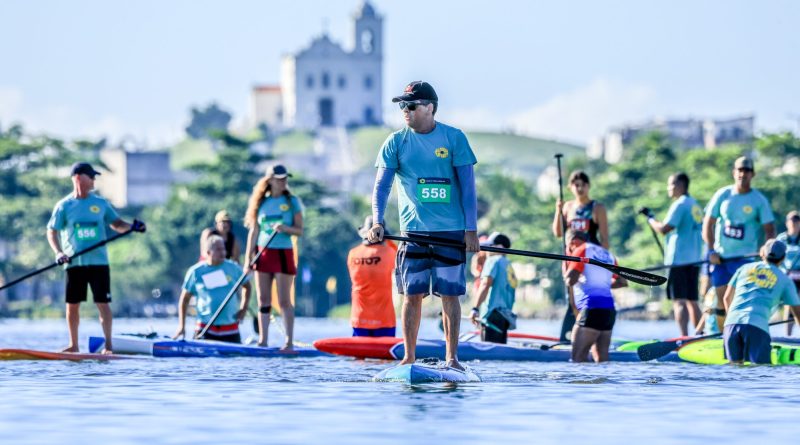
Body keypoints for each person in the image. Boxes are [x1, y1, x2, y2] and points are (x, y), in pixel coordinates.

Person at [367, 80, 479, 371]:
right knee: (411, 295)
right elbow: (381, 187)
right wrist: (378, 221)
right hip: (413, 232)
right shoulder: (396, 141)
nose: (405, 110)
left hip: (451, 232)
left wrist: (471, 230)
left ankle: (452, 359)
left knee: (450, 295)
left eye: (411, 105)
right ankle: (409, 358)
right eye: (402, 105)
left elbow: (468, 188)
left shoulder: (454, 138)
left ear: (429, 108)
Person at [47, 162, 146, 353]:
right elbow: (52, 231)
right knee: (72, 305)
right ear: (78, 178)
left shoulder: (100, 204)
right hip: (74, 262)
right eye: (90, 176)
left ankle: (108, 346)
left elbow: (116, 224)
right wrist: (59, 252)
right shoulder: (64, 206)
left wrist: (133, 227)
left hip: (98, 263)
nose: (94, 179)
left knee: (103, 304)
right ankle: (73, 345)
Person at [703, 156, 775, 330]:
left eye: (747, 171)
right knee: (721, 301)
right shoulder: (722, 195)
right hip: (720, 259)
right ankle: (722, 338)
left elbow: (770, 230)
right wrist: (711, 250)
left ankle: (738, 335)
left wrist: (767, 252)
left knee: (737, 301)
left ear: (753, 174)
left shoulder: (759, 200)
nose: (743, 174)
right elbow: (708, 223)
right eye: (740, 170)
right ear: (734, 173)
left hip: (745, 261)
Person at [244, 164, 304, 350]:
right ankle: (263, 341)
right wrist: (248, 260)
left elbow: (299, 230)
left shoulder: (292, 201)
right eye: (279, 179)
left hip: (283, 252)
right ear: (270, 180)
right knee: (263, 300)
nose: (284, 181)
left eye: (285, 178)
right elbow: (254, 232)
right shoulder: (261, 202)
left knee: (284, 300)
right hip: (263, 252)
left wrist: (286, 229)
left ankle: (289, 342)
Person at [640, 172, 703, 336]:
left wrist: (650, 218)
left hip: (679, 260)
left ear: (680, 185)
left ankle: (683, 337)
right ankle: (700, 335)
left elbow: (663, 229)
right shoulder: (695, 204)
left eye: (671, 184)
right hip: (695, 260)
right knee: (693, 301)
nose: (668, 188)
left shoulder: (680, 204)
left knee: (679, 301)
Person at [722, 239, 800, 364]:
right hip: (757, 327)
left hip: (731, 324)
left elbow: (726, 298)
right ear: (783, 258)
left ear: (762, 253)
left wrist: (731, 322)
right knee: (762, 372)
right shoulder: (785, 281)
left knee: (735, 370)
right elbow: (798, 314)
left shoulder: (744, 268)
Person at [562, 230, 627, 363]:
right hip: (609, 311)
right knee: (602, 360)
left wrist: (570, 275)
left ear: (573, 242)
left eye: (568, 247)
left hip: (591, 308)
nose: (568, 251)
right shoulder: (608, 254)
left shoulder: (580, 250)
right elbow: (622, 282)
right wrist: (600, 282)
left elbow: (570, 280)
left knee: (577, 358)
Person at [174, 235, 252, 343]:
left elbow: (247, 286)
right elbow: (184, 300)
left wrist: (244, 308)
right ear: (208, 252)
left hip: (230, 329)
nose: (223, 252)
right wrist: (181, 326)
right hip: (204, 328)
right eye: (218, 249)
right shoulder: (196, 272)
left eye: (223, 249)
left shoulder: (233, 268)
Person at [348, 216, 398, 337]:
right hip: (384, 319)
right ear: (383, 235)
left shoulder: (353, 253)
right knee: (385, 357)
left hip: (359, 319)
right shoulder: (390, 253)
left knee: (358, 356)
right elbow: (399, 254)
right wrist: (387, 237)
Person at [470, 232, 517, 344]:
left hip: (491, 315)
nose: (486, 249)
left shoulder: (492, 261)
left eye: (490, 246)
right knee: (499, 353)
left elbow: (485, 285)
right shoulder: (508, 264)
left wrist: (475, 309)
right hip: (505, 316)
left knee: (488, 353)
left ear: (499, 247)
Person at [552, 170, 609, 248]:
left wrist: (604, 257)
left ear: (588, 186)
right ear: (570, 187)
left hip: (589, 255)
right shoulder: (567, 207)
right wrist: (558, 211)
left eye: (583, 184)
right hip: (571, 256)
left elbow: (604, 239)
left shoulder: (597, 208)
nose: (580, 188)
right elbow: (558, 233)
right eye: (577, 185)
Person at [777, 210, 800, 335]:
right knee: (790, 304)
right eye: (792, 221)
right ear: (787, 223)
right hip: (787, 276)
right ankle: (788, 336)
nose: (794, 224)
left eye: (797, 221)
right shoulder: (781, 239)